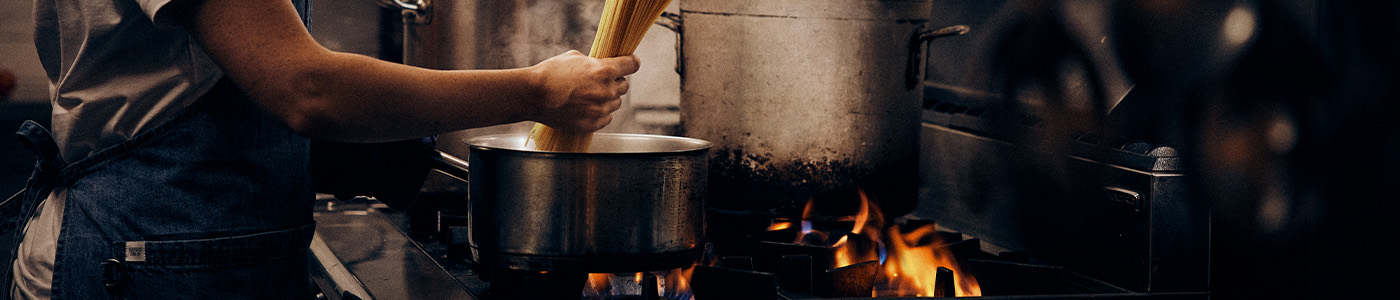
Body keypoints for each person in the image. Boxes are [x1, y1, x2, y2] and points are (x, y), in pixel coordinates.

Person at [3, 0, 639, 299]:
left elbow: (199, 81)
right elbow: (306, 88)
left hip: (198, 253)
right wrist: (534, 92)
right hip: (144, 262)